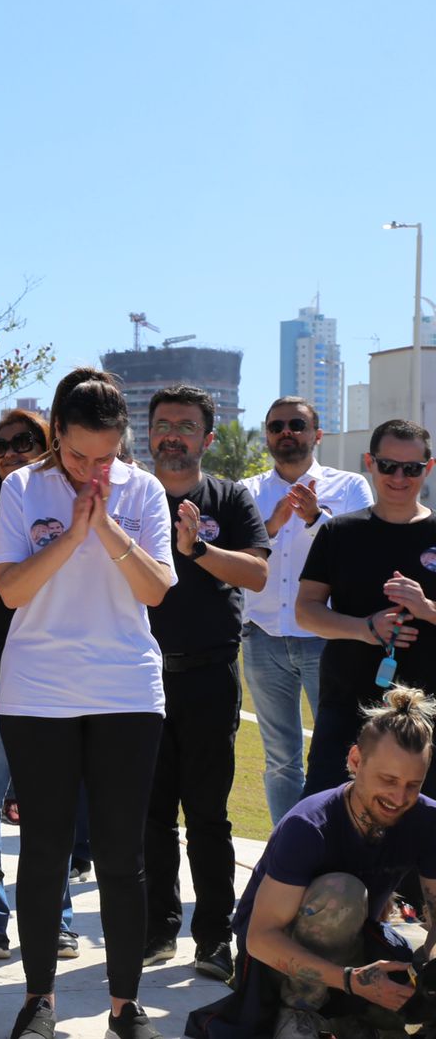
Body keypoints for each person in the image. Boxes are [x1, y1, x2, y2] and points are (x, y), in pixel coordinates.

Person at [0, 366, 177, 1039]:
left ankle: (126, 1007)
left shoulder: (144, 490)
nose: (91, 470)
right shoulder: (21, 487)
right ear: (56, 434)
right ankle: (39, 1000)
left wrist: (107, 529)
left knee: (123, 857)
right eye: (76, 455)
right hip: (38, 691)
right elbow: (9, 591)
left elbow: (156, 590)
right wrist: (70, 533)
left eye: (105, 457)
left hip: (126, 690)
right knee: (43, 850)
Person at [185, 687, 436, 1039]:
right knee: (341, 893)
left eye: (413, 785)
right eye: (388, 780)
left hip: (356, 948)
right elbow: (260, 939)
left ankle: (350, 1016)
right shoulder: (309, 826)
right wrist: (350, 981)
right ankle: (300, 1012)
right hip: (277, 961)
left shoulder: (425, 818)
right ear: (355, 761)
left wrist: (427, 966)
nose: (399, 797)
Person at [140, 386, 270, 983]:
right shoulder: (132, 496)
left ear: (207, 438)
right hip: (140, 677)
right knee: (149, 814)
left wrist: (198, 549)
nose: (173, 435)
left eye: (186, 426)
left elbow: (258, 574)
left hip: (210, 676)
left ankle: (214, 937)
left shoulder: (229, 496)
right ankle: (155, 930)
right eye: (164, 424)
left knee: (210, 817)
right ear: (148, 433)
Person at [0, 410, 85, 964]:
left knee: (46, 802)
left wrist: (4, 568)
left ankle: (54, 917)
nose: (10, 452)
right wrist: (0, 569)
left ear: (49, 445)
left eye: (24, 442)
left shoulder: (63, 505)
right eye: (0, 445)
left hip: (48, 667)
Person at [239, 397, 374, 824]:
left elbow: (358, 555)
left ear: (318, 434)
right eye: (276, 425)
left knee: (339, 752)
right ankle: (287, 857)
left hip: (325, 638)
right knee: (280, 759)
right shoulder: (247, 492)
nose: (286, 432)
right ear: (266, 435)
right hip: (262, 637)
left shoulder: (350, 487)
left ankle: (337, 852)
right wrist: (273, 524)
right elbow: (236, 556)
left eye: (297, 424)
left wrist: (317, 519)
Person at [297, 418, 436, 801]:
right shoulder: (339, 532)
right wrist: (366, 628)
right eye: (388, 465)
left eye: (412, 468)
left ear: (429, 467)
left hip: (427, 709)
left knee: (421, 826)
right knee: (329, 809)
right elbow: (306, 611)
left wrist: (426, 609)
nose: (399, 477)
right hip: (348, 702)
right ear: (369, 463)